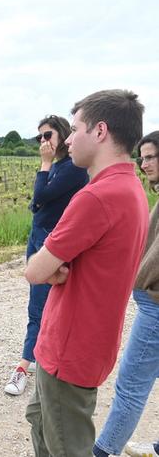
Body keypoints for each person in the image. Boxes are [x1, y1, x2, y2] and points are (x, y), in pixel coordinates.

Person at [23, 89, 149, 457]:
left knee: (66, 445)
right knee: (41, 421)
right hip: (84, 344)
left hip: (69, 348)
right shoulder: (131, 188)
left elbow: (34, 270)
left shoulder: (97, 197)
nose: (70, 138)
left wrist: (52, 268)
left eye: (76, 128)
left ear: (100, 131)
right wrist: (57, 267)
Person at [4, 115, 89, 396]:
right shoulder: (60, 167)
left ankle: (25, 365)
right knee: (39, 303)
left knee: (40, 304)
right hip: (37, 234)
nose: (43, 142)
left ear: (63, 135)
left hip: (51, 240)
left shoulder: (71, 169)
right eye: (39, 137)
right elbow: (36, 202)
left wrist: (44, 164)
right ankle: (41, 360)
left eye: (47, 135)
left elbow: (40, 196)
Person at [93, 131, 159, 457]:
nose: (144, 164)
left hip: (156, 306)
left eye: (151, 157)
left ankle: (103, 452)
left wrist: (141, 277)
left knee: (130, 388)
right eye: (142, 157)